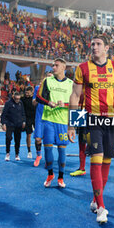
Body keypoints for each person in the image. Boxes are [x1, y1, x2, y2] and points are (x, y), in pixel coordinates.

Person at [67, 35, 114, 224]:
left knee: (106, 161)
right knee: (96, 159)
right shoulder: (82, 68)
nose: (94, 47)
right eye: (92, 44)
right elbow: (75, 96)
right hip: (92, 120)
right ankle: (102, 207)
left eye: (98, 44)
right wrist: (72, 124)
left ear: (106, 48)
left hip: (111, 121)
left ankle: (96, 199)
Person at [35, 58, 73, 188]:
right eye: (53, 65)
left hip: (63, 122)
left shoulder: (70, 84)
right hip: (49, 120)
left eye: (56, 65)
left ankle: (61, 178)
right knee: (48, 148)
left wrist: (66, 104)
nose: (53, 67)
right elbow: (38, 97)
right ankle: (50, 174)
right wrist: (48, 102)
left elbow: (76, 104)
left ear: (64, 67)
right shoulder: (47, 81)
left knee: (62, 151)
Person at [32, 72, 53, 167]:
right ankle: (38, 155)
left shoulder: (55, 89)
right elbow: (33, 103)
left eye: (51, 77)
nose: (49, 79)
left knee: (49, 140)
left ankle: (47, 159)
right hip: (39, 116)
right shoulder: (38, 88)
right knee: (37, 138)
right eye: (47, 77)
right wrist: (39, 97)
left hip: (50, 116)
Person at [1, 92, 26, 161]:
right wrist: (3, 124)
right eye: (16, 99)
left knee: (17, 140)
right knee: (8, 138)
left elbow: (23, 113)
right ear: (13, 97)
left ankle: (17, 154)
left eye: (18, 99)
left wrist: (24, 121)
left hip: (18, 124)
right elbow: (4, 114)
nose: (17, 100)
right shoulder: (8, 103)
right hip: (9, 124)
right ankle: (7, 153)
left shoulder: (21, 103)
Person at [21, 86, 36, 158]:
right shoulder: (23, 99)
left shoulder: (35, 99)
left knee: (38, 135)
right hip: (27, 119)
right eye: (26, 92)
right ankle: (29, 151)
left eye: (28, 92)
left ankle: (38, 152)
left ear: (32, 92)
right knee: (28, 135)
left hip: (36, 118)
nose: (26, 94)